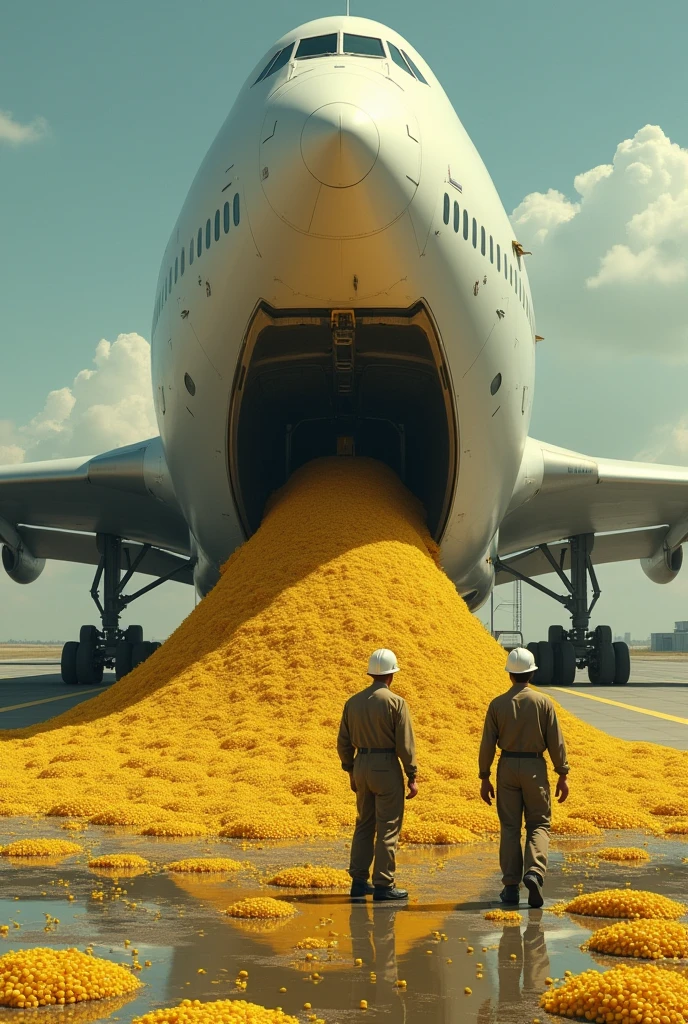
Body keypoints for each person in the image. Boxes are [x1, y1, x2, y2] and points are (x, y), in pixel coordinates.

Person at [478, 647, 569, 907]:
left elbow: (487, 744)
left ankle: (509, 888)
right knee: (538, 823)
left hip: (506, 766)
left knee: (509, 828)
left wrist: (484, 777)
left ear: (510, 675)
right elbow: (556, 742)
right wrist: (562, 773)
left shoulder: (497, 704)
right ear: (532, 673)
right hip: (534, 767)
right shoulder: (543, 703)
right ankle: (534, 872)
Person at [337, 648, 418, 902]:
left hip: (361, 764)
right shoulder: (396, 703)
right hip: (386, 766)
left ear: (372, 674)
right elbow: (405, 745)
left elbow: (343, 742)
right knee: (388, 826)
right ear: (392, 675)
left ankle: (359, 881)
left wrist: (350, 769)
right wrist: (412, 775)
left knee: (364, 823)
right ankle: (384, 883)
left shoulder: (353, 702)